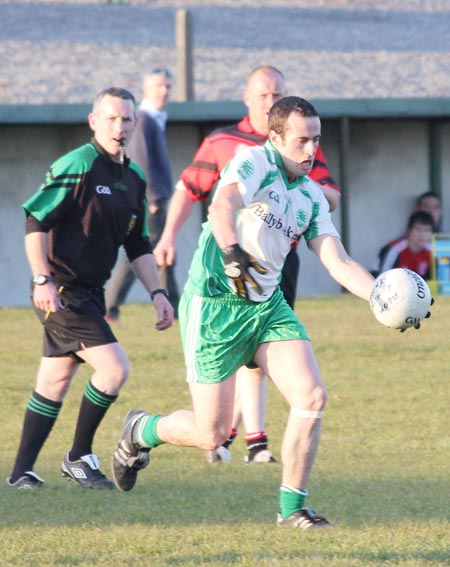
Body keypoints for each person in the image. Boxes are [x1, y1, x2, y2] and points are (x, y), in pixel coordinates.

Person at [111, 96, 376, 528]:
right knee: (210, 435)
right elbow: (223, 204)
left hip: (267, 308)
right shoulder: (254, 161)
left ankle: (293, 511)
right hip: (215, 304)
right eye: (301, 141)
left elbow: (338, 261)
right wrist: (232, 250)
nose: (311, 151)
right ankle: (142, 430)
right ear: (275, 138)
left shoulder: (310, 196)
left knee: (311, 397)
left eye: (316, 140)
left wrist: (380, 298)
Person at [154, 65, 341, 464]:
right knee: (211, 427)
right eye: (263, 95)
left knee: (270, 357)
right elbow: (191, 191)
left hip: (279, 262)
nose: (270, 101)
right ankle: (224, 432)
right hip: (225, 271)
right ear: (247, 98)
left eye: (277, 94)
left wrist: (305, 194)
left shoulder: (303, 142)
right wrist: (168, 236)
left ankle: (255, 438)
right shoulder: (227, 143)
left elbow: (329, 195)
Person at [7, 87, 174, 490]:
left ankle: (19, 474)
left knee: (55, 379)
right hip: (61, 290)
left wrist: (158, 293)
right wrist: (41, 278)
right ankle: (79, 456)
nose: (120, 126)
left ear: (136, 123)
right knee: (115, 369)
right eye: (112, 118)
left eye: (127, 119)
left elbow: (137, 245)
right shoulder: (77, 164)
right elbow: (35, 221)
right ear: (93, 121)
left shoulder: (133, 179)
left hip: (91, 292)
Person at [105, 69, 180, 320]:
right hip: (152, 200)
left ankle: (175, 305)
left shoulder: (155, 117)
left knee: (164, 253)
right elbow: (141, 161)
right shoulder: (144, 119)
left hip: (157, 198)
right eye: (159, 85)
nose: (164, 91)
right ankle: (109, 305)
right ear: (146, 89)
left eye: (168, 86)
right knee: (140, 252)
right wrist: (151, 198)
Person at [375, 211, 434, 279]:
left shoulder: (433, 251)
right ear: (409, 230)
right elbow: (382, 279)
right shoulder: (394, 250)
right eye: (418, 229)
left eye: (427, 230)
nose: (422, 234)